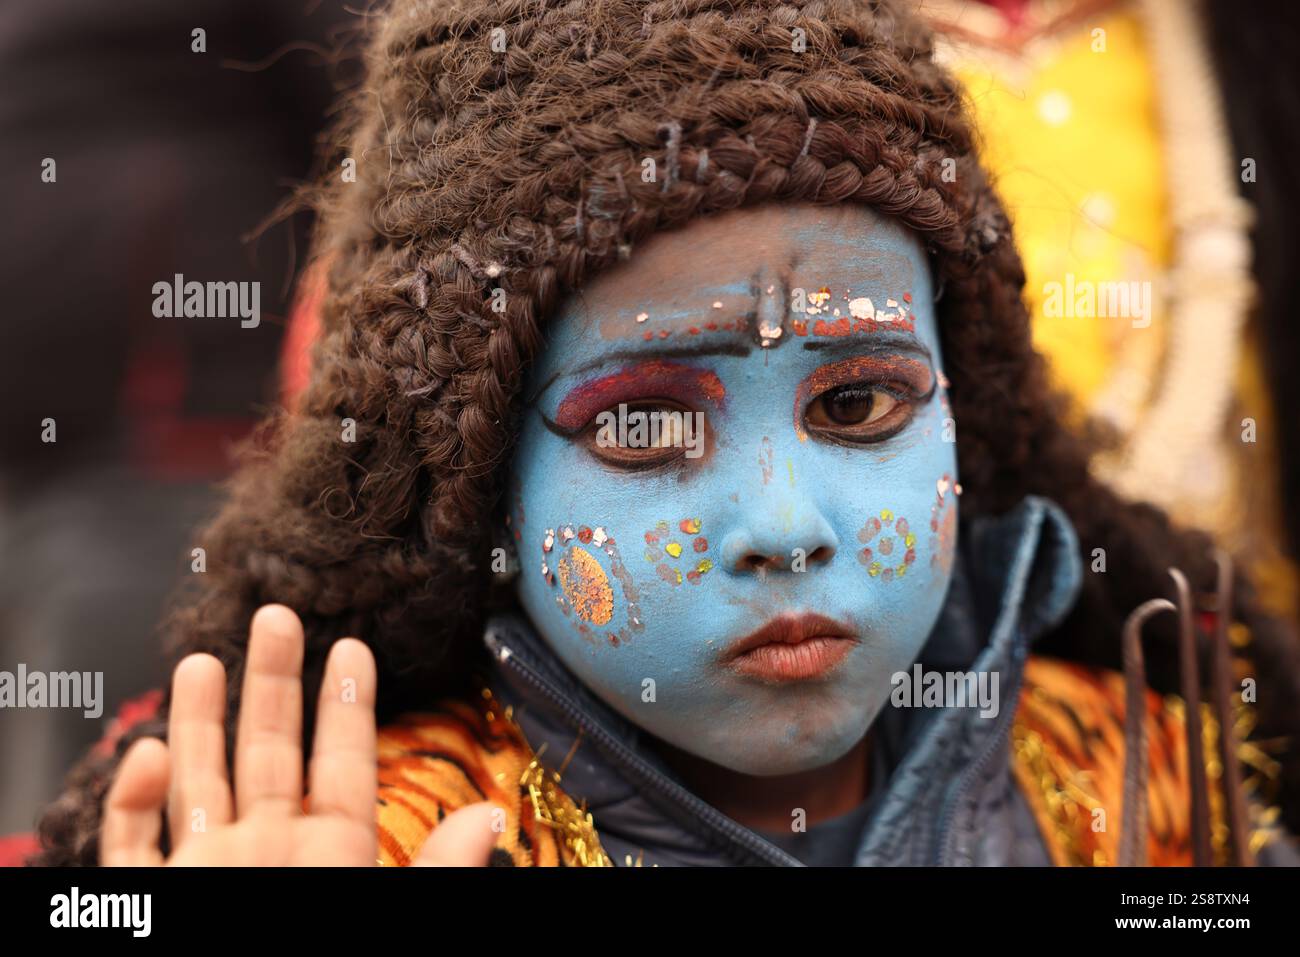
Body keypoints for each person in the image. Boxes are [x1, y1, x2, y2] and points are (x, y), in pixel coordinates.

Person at [31, 0, 1300, 867]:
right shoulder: (365, 836)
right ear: (479, 495)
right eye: (642, 425)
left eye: (857, 404)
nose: (787, 527)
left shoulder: (1142, 776)